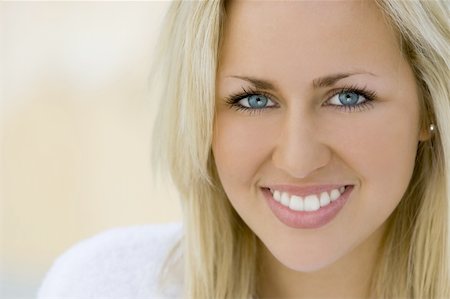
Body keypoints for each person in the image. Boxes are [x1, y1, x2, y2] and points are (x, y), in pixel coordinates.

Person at [38, 1, 450, 298]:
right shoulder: (104, 287)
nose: (298, 160)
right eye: (254, 100)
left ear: (427, 107)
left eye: (347, 98)